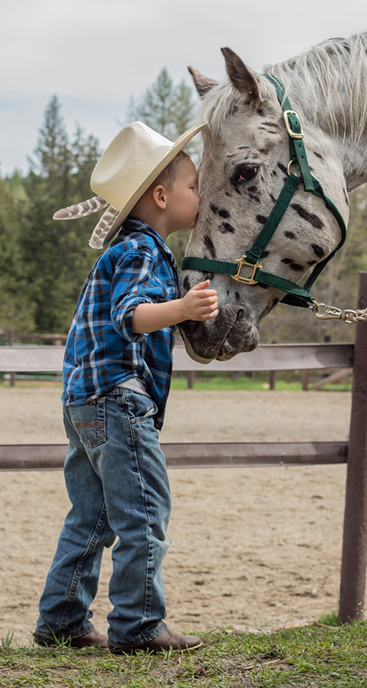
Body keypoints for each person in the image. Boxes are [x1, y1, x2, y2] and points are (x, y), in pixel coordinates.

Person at [34, 121, 218, 654]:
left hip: (83, 400)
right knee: (144, 512)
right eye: (193, 187)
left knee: (91, 517)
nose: (200, 197)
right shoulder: (144, 253)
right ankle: (138, 626)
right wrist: (182, 310)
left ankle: (62, 621)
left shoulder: (119, 253)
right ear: (161, 196)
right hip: (118, 398)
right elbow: (131, 316)